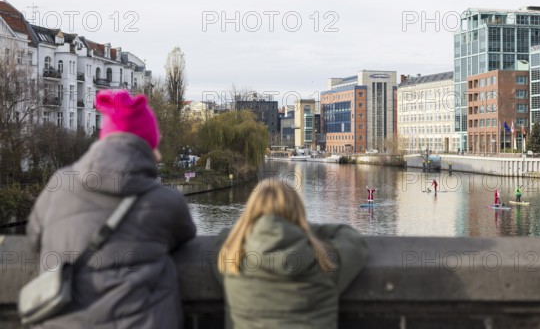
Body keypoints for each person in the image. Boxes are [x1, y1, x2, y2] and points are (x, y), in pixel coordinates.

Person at [26, 90, 197, 328]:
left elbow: (34, 238)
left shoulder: (59, 183)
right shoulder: (166, 200)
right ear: (148, 145)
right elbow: (186, 236)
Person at [213, 180, 367, 328]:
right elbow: (352, 239)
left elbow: (226, 235)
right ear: (298, 213)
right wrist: (304, 228)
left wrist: (249, 224)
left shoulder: (229, 260)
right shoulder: (324, 264)